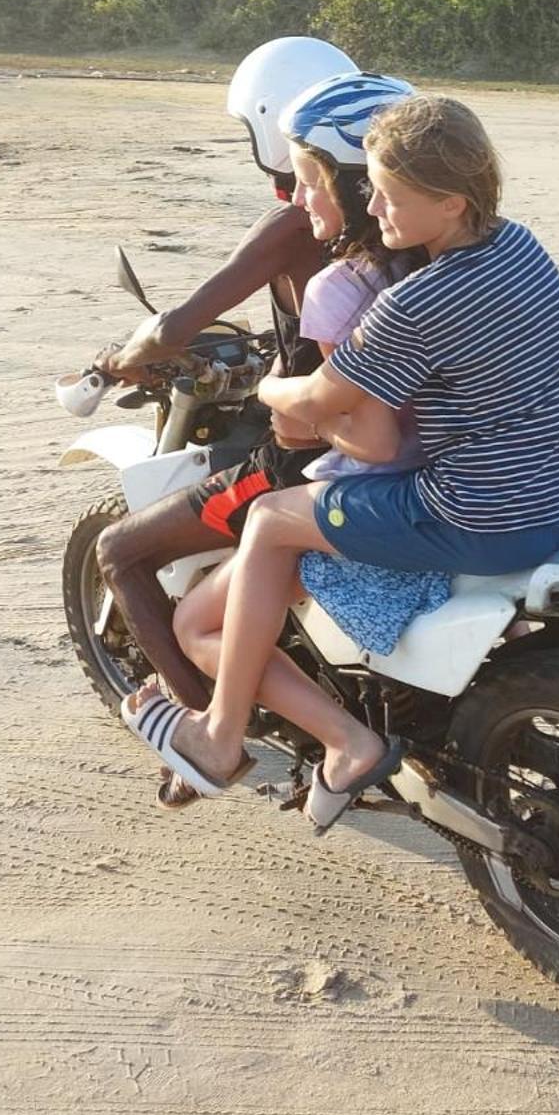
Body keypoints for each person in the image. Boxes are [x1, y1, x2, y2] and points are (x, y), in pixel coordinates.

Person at [120, 93, 559, 832]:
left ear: (450, 202)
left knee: (274, 520)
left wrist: (263, 383)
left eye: (390, 193)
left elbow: (320, 404)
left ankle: (222, 738)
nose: (372, 205)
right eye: (370, 185)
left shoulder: (418, 303)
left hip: (473, 513)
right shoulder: (521, 248)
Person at [91, 37, 382, 798]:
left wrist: (127, 356)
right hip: (405, 447)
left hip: (313, 455)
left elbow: (177, 325)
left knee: (122, 552)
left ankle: (205, 732)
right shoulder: (408, 225)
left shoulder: (296, 225)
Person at [156, 73, 426, 781]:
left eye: (309, 180)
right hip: (472, 484)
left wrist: (290, 402)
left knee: (197, 620)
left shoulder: (343, 286)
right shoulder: (458, 263)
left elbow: (365, 439)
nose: (298, 196)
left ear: (359, 185)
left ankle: (314, 738)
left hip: (381, 501)